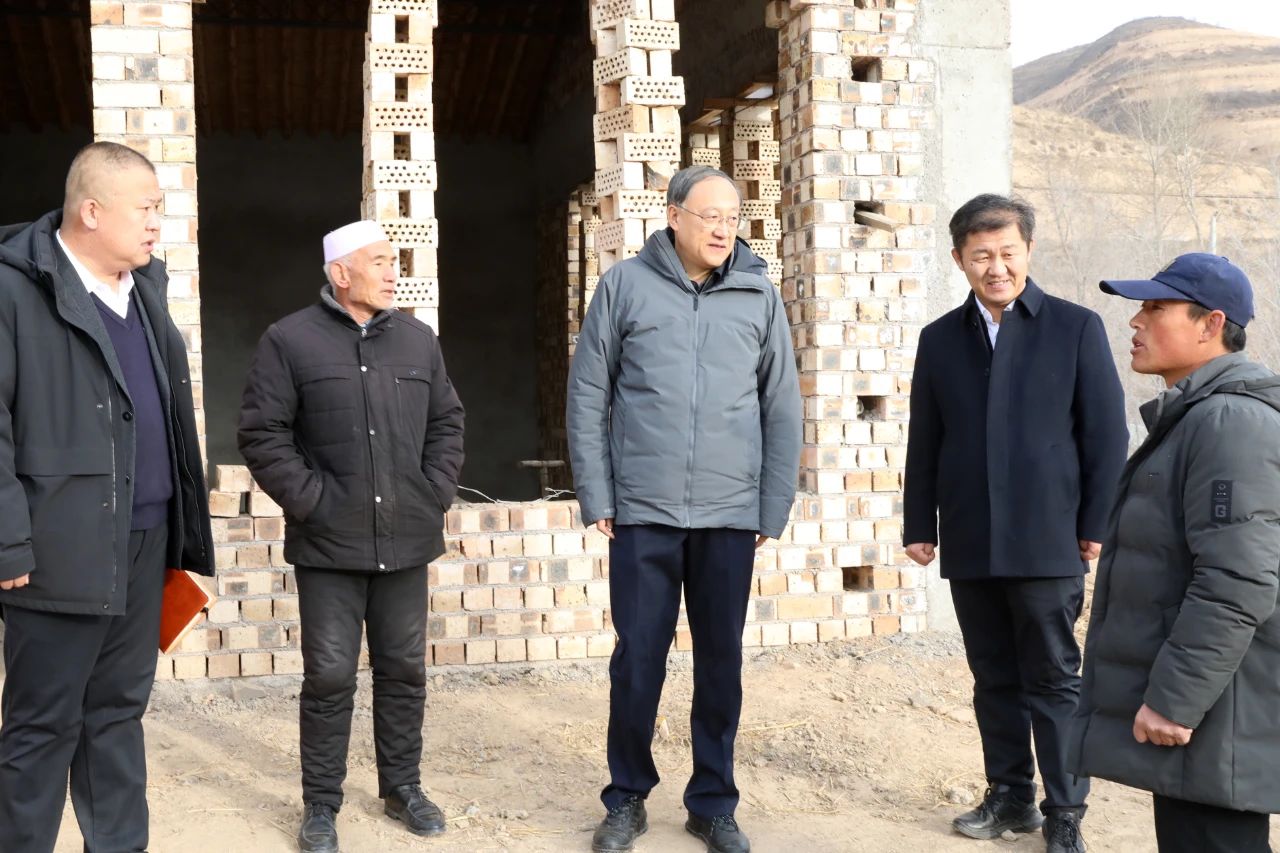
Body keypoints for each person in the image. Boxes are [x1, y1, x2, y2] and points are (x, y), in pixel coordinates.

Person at [567, 165, 802, 853]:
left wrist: (771, 505)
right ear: (674, 216)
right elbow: (589, 394)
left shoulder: (758, 295)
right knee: (638, 659)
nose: (724, 229)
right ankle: (627, 797)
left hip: (729, 513)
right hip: (644, 509)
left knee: (721, 661)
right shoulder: (624, 286)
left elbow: (782, 405)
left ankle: (713, 802)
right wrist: (597, 493)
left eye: (732, 217)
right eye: (710, 216)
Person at [0, 141, 213, 853]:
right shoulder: (15, 291)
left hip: (145, 541)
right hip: (56, 548)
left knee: (117, 716)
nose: (157, 223)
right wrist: (6, 539)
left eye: (160, 209)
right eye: (145, 208)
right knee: (41, 728)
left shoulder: (143, 292)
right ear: (91, 211)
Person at [902, 194, 1128, 853]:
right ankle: (1010, 796)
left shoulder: (1075, 328)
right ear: (959, 260)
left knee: (1053, 678)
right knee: (993, 677)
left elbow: (1105, 435)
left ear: (1028, 250)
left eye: (1007, 253)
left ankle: (1065, 812)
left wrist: (1095, 521)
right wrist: (920, 522)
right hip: (971, 534)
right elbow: (926, 438)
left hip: (1049, 536)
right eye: (981, 256)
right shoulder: (940, 339)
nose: (996, 267)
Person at [238, 220, 464, 853]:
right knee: (331, 675)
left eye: (395, 261)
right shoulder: (290, 340)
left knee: (403, 669)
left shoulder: (418, 341)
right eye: (380, 261)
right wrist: (313, 502)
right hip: (328, 545)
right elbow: (262, 433)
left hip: (406, 538)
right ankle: (321, 804)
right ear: (341, 273)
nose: (394, 272)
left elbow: (447, 421)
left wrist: (433, 491)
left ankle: (403, 787)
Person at [1071, 254, 1280, 853]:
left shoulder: (1230, 423)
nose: (1135, 321)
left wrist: (1174, 701)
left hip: (1222, 708)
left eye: (1156, 308)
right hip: (1214, 704)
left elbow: (1236, 580)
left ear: (1211, 324)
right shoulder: (1197, 417)